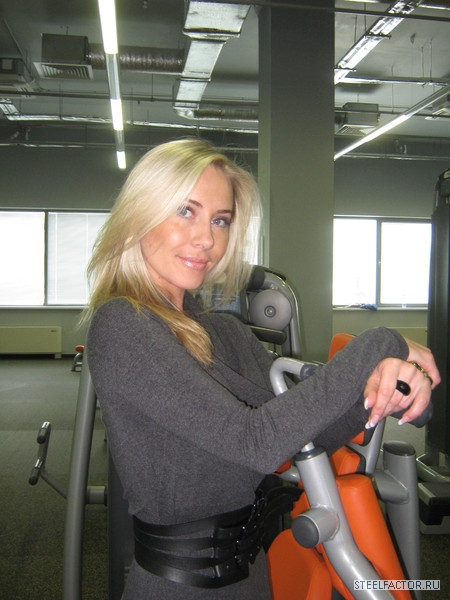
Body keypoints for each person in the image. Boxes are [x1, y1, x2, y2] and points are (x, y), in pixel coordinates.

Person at [85, 137, 440, 600]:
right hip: (179, 587)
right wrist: (382, 343)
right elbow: (255, 442)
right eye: (185, 211)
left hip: (252, 575)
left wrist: (377, 395)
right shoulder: (122, 324)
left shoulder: (224, 332)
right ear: (140, 214)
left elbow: (296, 438)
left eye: (220, 220)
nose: (207, 239)